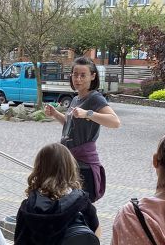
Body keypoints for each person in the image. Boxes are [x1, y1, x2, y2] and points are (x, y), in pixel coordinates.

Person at [45, 57, 120, 202]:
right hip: (69, 163)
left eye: (83, 75)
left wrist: (88, 113)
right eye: (75, 74)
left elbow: (115, 122)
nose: (78, 79)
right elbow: (70, 125)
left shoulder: (95, 98)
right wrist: (55, 114)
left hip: (84, 167)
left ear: (93, 76)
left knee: (82, 210)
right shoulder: (76, 99)